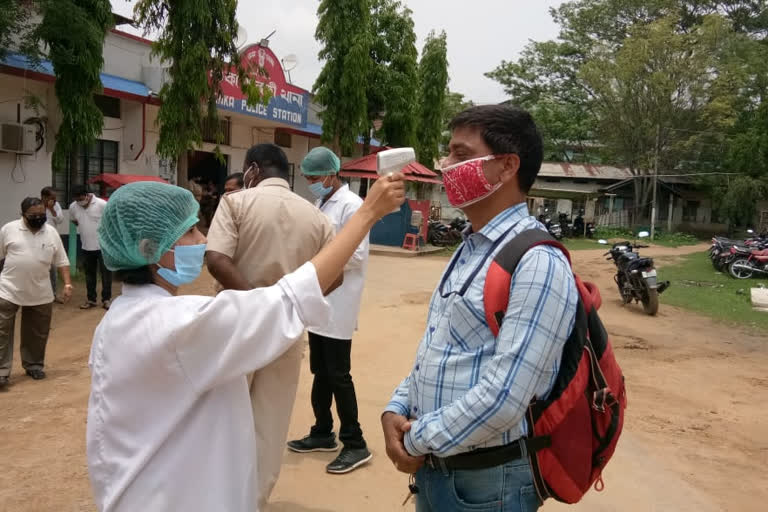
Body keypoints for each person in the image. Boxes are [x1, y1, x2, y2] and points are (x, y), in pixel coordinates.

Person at [86, 176, 405, 511]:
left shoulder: (118, 322)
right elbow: (289, 299)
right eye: (191, 231)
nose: (204, 238)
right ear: (149, 248)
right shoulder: (179, 326)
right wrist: (367, 214)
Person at [381, 105, 578, 511]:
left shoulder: (539, 262)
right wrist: (395, 409)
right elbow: (440, 347)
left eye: (460, 154)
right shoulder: (470, 248)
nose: (445, 165)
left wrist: (415, 439)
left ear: (506, 166)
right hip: (440, 469)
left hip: (488, 485)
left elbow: (505, 396)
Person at [206, 144, 337, 507]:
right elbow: (335, 275)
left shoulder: (236, 203)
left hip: (235, 323)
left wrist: (257, 301)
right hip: (286, 329)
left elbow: (216, 260)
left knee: (221, 416)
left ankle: (217, 497)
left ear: (251, 169)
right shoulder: (316, 217)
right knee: (270, 422)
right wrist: (286, 302)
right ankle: (254, 501)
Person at [287, 147, 372, 474]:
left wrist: (317, 260)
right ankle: (323, 431)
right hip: (318, 298)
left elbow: (356, 256)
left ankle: (356, 442)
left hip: (338, 302)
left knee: (338, 374)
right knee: (320, 371)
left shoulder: (353, 206)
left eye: (314, 177)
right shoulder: (320, 202)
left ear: (332, 173)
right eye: (307, 178)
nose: (311, 183)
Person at [0, 198, 73, 387]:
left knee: (37, 333)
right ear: (22, 214)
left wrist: (67, 284)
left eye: (42, 215)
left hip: (40, 291)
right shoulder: (9, 229)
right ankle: (1, 372)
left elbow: (62, 261)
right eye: (34, 215)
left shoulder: (51, 233)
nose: (38, 218)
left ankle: (33, 365)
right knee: (2, 332)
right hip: (8, 289)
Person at [69, 185, 112, 310]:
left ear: (87, 195)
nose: (79, 202)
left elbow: (110, 220)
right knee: (89, 275)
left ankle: (106, 299)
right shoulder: (73, 207)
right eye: (76, 199)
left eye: (81, 198)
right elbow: (74, 220)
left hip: (103, 246)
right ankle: (91, 299)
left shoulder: (101, 204)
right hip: (86, 246)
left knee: (106, 274)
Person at [41, 186, 64, 301]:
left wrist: (52, 209)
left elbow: (60, 220)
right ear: (44, 197)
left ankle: (54, 294)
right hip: (38, 241)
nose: (54, 200)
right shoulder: (37, 205)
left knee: (53, 269)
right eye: (51, 198)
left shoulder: (56, 205)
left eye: (55, 198)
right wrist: (45, 208)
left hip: (52, 240)